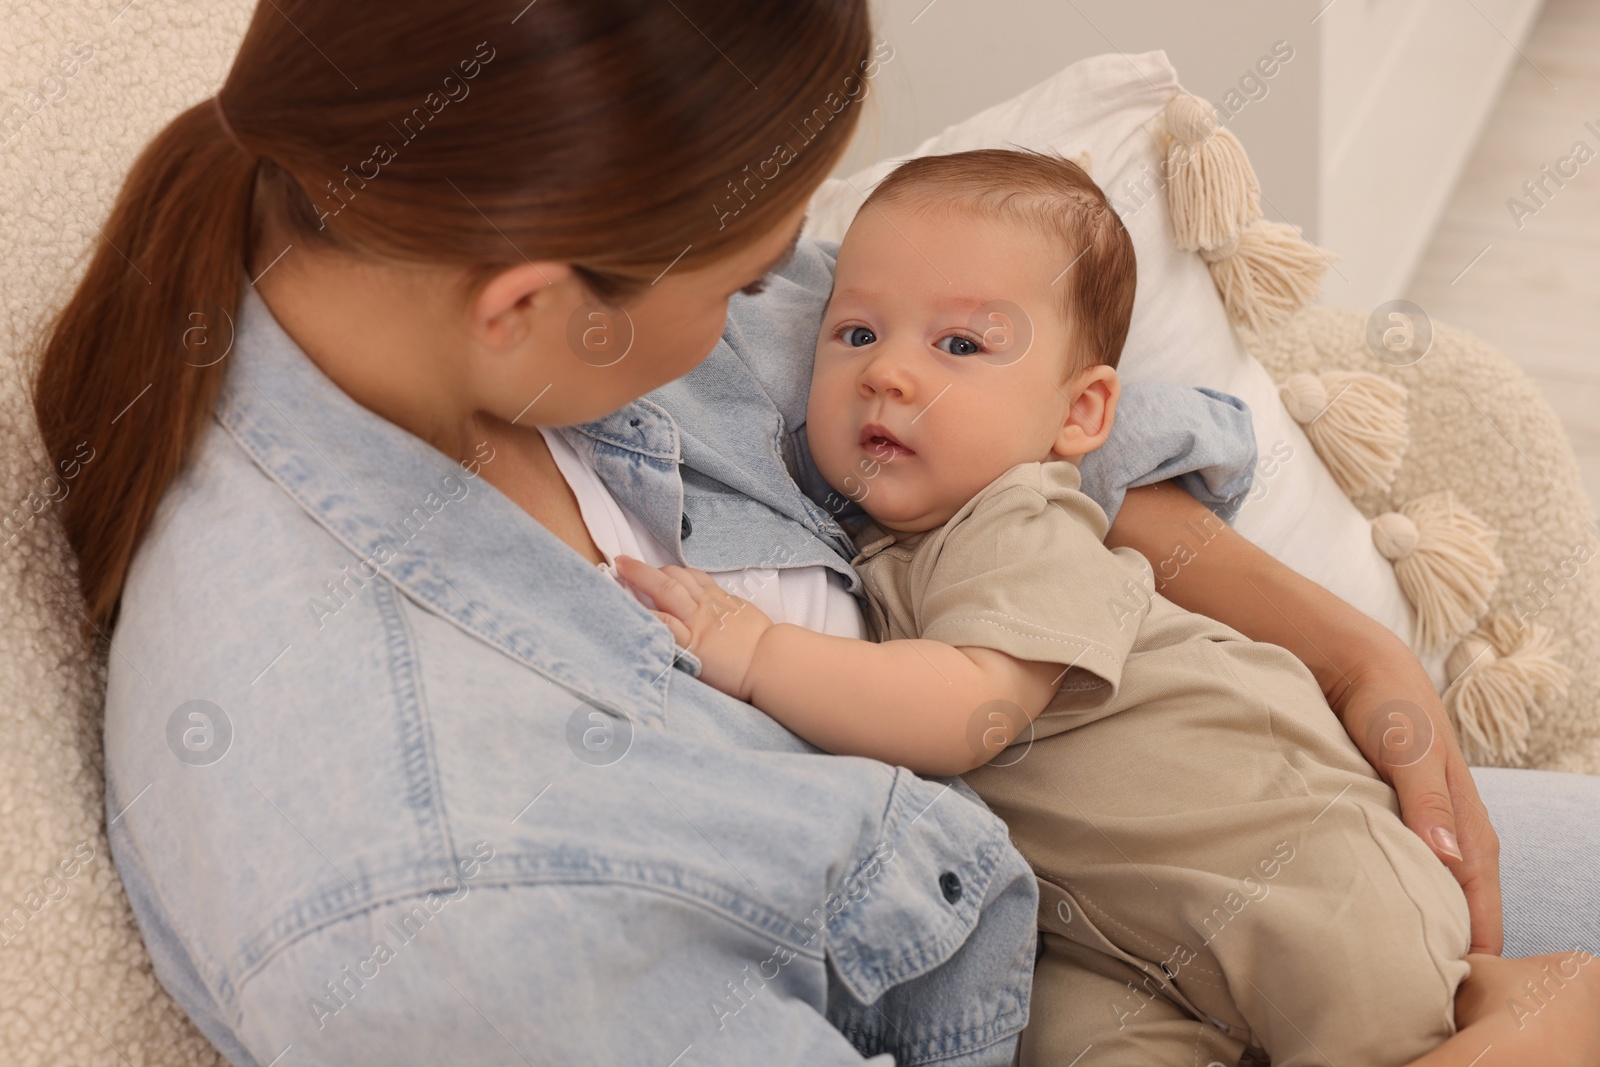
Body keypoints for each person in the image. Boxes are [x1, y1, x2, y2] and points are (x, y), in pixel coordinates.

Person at [26, 2, 1600, 1064]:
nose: (791, 317)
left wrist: (1347, 641)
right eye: (755, 276)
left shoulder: (379, 237)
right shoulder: (463, 911)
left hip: (1194, 843)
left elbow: (1032, 426)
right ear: (534, 312)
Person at [615, 147, 1478, 1065]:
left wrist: (754, 652)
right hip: (1104, 941)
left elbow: (964, 710)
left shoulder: (1022, 519)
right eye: (857, 335)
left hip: (1301, 871)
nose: (887, 374)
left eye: (959, 346)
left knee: (1376, 1025)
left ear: (1078, 416)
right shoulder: (874, 552)